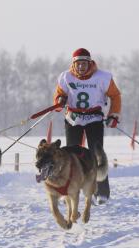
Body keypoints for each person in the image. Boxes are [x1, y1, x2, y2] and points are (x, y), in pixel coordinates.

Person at [53, 48, 121, 204]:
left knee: (97, 154)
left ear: (90, 63)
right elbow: (57, 101)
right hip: (73, 118)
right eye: (78, 64)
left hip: (94, 118)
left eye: (84, 64)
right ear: (73, 64)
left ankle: (101, 192)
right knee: (71, 156)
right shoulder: (65, 77)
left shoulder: (103, 77)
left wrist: (113, 115)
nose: (81, 67)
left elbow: (115, 96)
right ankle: (69, 191)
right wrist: (60, 101)